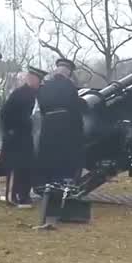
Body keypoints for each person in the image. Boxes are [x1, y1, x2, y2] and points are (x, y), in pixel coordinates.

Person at [34, 58, 86, 188]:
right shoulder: (69, 86)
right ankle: (62, 182)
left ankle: (45, 182)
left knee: (48, 155)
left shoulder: (44, 86)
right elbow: (74, 106)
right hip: (65, 126)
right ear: (68, 73)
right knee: (63, 157)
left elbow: (42, 106)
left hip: (48, 126)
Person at [0, 66, 44, 207]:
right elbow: (5, 113)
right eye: (37, 80)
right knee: (14, 168)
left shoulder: (31, 94)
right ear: (30, 79)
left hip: (24, 137)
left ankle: (23, 195)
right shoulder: (21, 94)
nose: (38, 83)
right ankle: (11, 196)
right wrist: (9, 130)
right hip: (16, 137)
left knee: (25, 167)